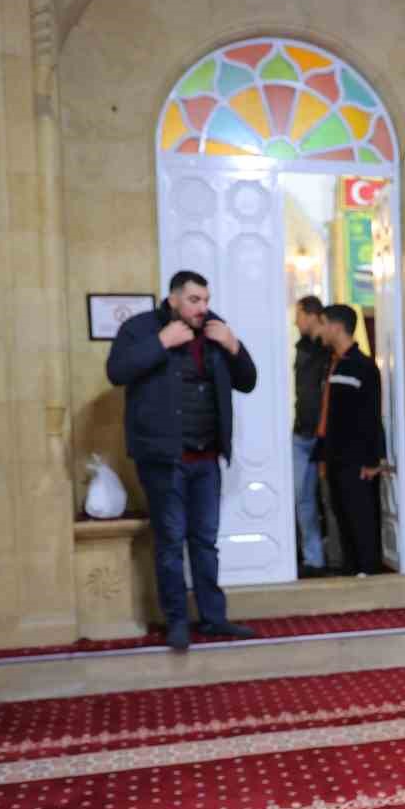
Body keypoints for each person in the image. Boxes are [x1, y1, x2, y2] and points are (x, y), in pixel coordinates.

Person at [105, 270, 259, 651]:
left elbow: (248, 381)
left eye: (205, 300)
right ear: (173, 299)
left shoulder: (215, 329)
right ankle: (176, 622)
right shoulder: (141, 329)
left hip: (206, 457)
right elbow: (116, 372)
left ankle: (213, 618)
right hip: (163, 458)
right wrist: (161, 342)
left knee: (205, 542)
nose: (202, 308)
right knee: (171, 542)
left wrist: (234, 345)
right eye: (194, 300)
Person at [315, 303, 386, 577]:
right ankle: (351, 572)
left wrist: (372, 459)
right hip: (334, 456)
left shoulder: (363, 366)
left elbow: (371, 416)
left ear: (336, 327)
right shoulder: (332, 363)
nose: (320, 330)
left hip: (356, 459)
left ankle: (369, 573)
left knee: (360, 518)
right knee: (342, 516)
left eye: (323, 324)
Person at [291, 294, 330, 576]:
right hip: (302, 432)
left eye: (298, 315)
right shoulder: (301, 348)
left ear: (312, 315)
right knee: (302, 498)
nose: (296, 321)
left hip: (325, 433)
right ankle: (313, 559)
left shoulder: (328, 349)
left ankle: (337, 557)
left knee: (329, 498)